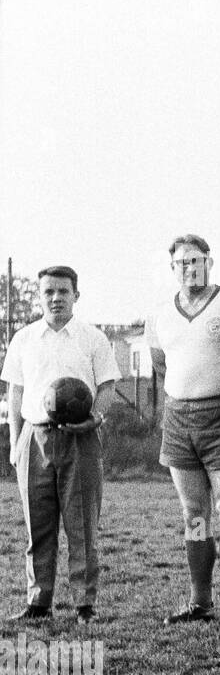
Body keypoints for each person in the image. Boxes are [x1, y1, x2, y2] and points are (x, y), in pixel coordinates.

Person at [148, 235, 220, 628]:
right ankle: (200, 600)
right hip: (178, 419)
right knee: (194, 513)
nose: (188, 268)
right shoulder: (159, 314)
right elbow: (161, 366)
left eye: (195, 260)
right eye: (181, 263)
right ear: (171, 267)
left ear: (209, 261)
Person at [3, 266, 119, 623]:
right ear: (40, 296)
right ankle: (38, 603)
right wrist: (15, 444)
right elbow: (16, 393)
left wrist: (95, 418)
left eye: (63, 292)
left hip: (79, 438)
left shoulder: (93, 338)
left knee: (82, 525)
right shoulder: (23, 339)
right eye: (48, 292)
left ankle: (85, 604)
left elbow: (108, 387)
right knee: (38, 526)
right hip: (34, 438)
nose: (55, 298)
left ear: (76, 296)